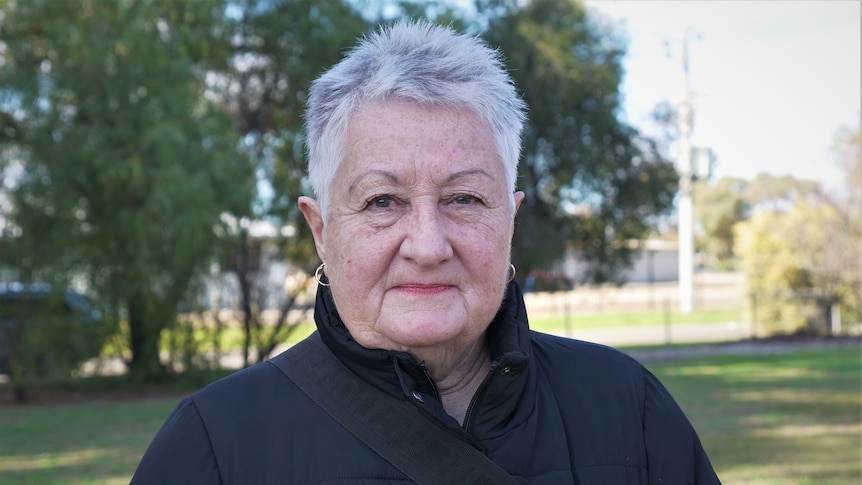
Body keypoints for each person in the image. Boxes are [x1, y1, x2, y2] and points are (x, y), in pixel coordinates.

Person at [131, 20, 720, 484]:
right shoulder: (214, 446)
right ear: (321, 230)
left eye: (464, 198)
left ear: (509, 220)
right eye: (382, 201)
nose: (428, 246)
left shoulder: (628, 412)